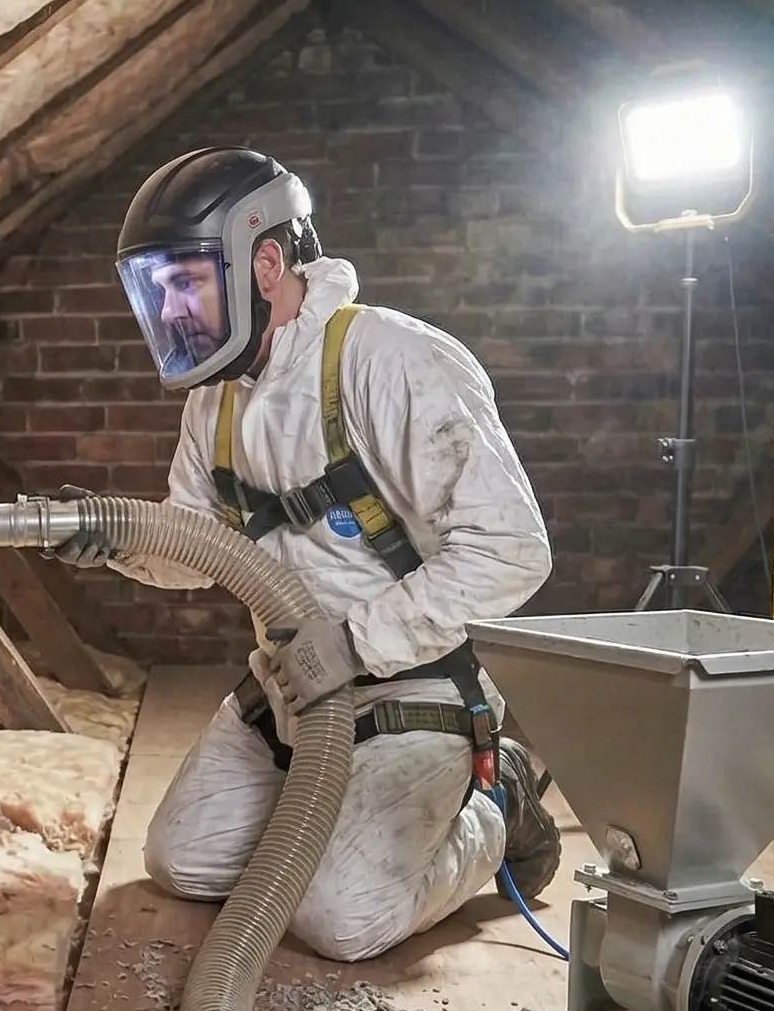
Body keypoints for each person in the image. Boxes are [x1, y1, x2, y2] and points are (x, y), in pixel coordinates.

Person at [57, 147, 561, 962]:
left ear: (262, 263)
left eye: (187, 280)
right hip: (290, 694)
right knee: (178, 861)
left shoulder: (390, 360)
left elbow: (511, 552)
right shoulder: (215, 399)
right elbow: (200, 551)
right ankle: (328, 812)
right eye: (160, 288)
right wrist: (116, 538)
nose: (172, 306)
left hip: (411, 687)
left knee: (339, 921)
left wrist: (357, 644)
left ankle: (497, 806)